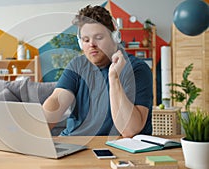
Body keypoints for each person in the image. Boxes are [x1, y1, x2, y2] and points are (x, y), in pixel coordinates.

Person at [43, 5, 153, 137]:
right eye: (86, 40)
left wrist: (114, 78)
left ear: (115, 38)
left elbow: (129, 130)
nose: (91, 44)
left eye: (99, 37)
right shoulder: (77, 65)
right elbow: (57, 100)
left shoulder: (137, 69)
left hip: (115, 148)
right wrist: (34, 128)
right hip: (74, 144)